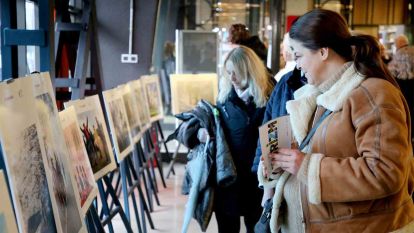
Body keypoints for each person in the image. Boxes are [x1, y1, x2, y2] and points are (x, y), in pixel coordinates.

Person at [258, 9, 414, 233]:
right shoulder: (320, 96)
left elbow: (386, 172)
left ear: (323, 52)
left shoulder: (374, 94)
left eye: (298, 55)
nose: (297, 65)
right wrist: (283, 161)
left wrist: (305, 165)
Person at [388, 34, 414, 141]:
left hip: (403, 87)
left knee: (406, 111)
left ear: (398, 44)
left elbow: (391, 71)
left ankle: (407, 136)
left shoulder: (397, 54)